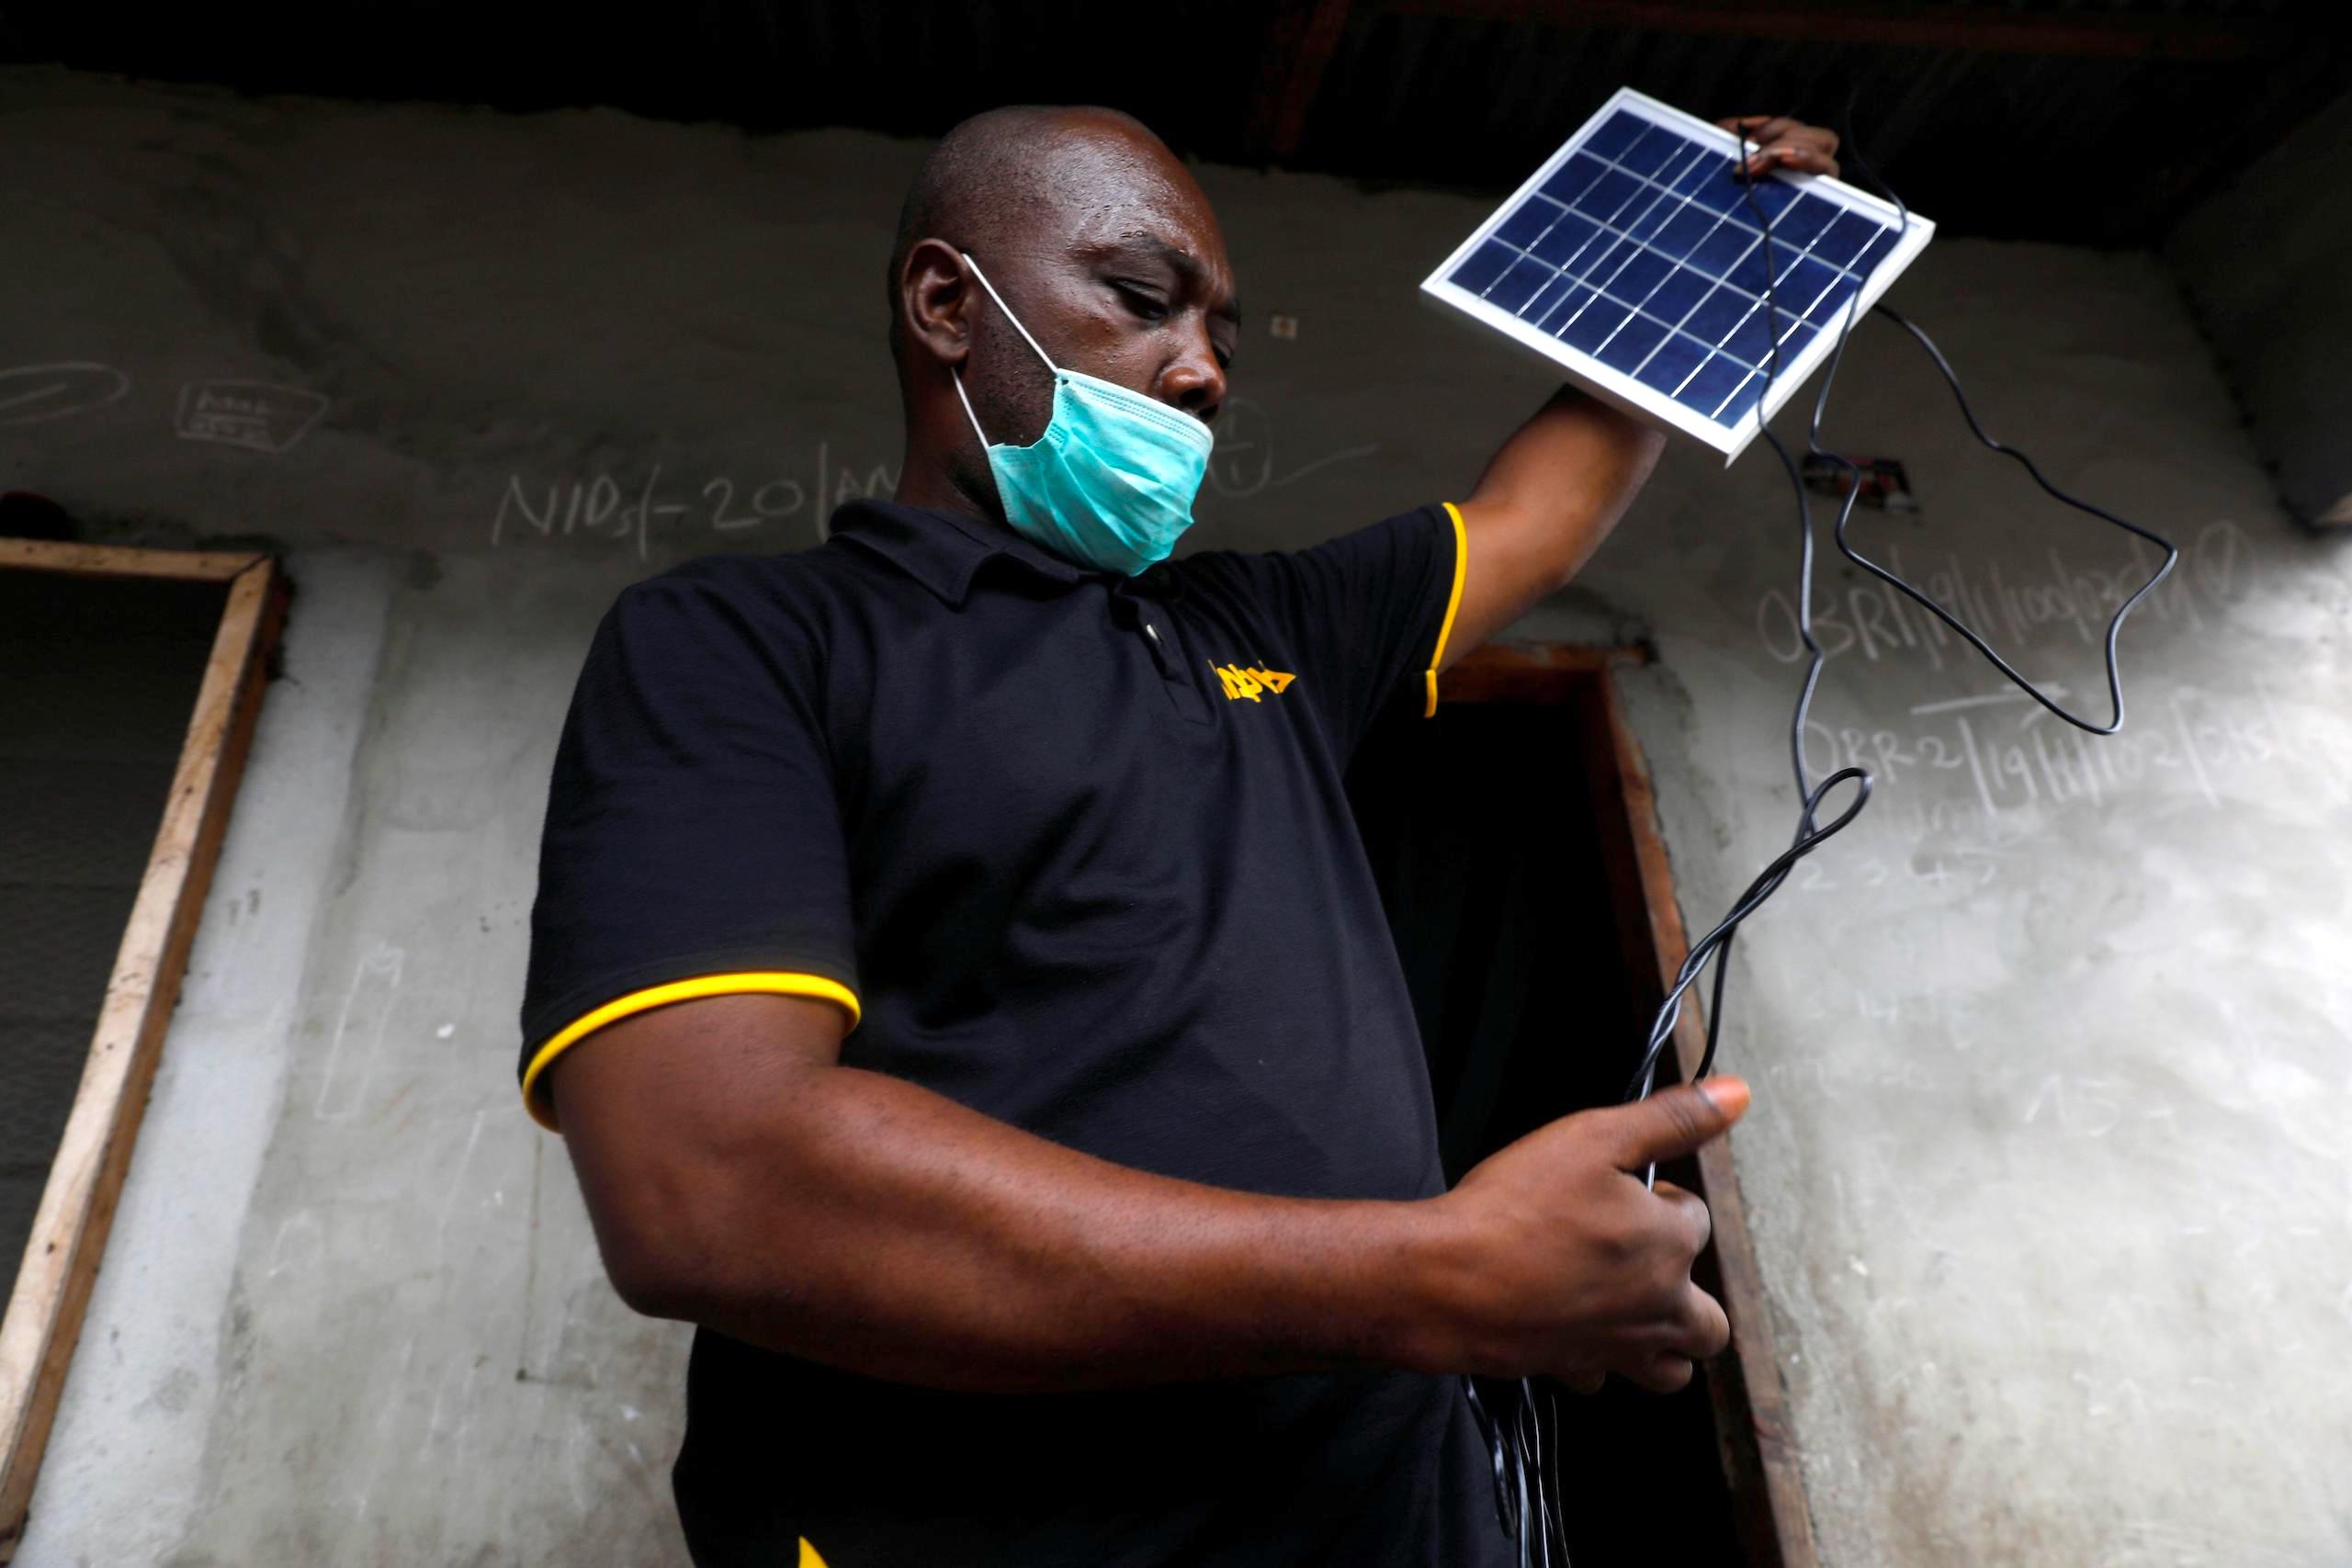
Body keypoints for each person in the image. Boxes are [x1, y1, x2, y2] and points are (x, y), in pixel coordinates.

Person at [517, 104, 1840, 1567]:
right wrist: (1422, 1274)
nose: (1201, 368)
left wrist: (1705, 239)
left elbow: (1537, 508)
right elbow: (709, 1182)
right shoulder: (748, 643)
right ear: (948, 304)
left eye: (1218, 333)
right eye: (1142, 303)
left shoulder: (1258, 627)